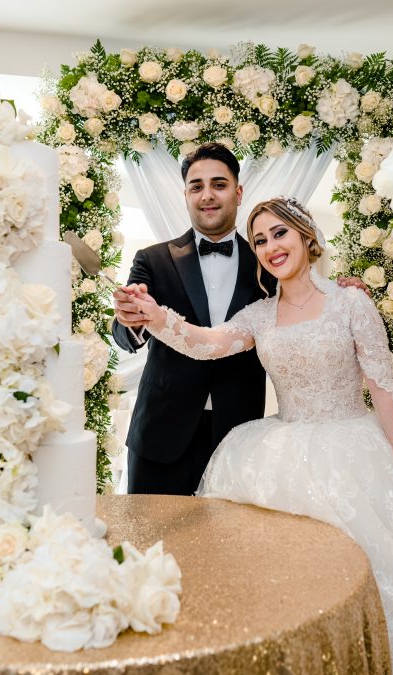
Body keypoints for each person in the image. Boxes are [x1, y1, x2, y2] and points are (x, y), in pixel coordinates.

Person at [121, 197, 393, 675]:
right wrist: (155, 316)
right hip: (282, 450)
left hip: (355, 448)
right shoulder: (258, 315)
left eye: (280, 233)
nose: (270, 246)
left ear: (305, 236)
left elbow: (384, 387)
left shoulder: (350, 301)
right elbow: (207, 344)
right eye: (259, 240)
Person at [111, 143, 274, 495]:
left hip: (237, 438)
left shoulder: (267, 264)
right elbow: (123, 333)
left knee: (228, 546)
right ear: (185, 195)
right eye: (196, 186)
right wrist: (131, 320)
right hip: (160, 437)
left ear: (238, 191)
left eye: (219, 184)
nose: (207, 195)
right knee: (150, 545)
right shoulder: (152, 259)